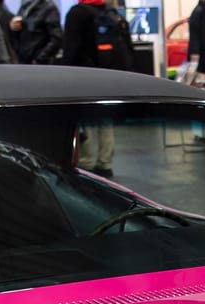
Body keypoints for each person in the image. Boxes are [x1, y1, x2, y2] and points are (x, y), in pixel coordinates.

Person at [64, 0, 135, 175]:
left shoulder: (77, 13)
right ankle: (105, 162)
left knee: (84, 118)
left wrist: (66, 73)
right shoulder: (110, 13)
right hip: (107, 74)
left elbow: (71, 48)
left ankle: (86, 161)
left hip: (84, 74)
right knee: (105, 117)